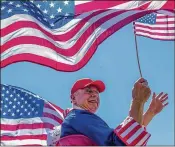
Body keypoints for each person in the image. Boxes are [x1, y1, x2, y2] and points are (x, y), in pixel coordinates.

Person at [57, 78, 168, 146]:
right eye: (88, 91)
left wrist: (150, 112)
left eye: (96, 93)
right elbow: (120, 142)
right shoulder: (78, 117)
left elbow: (127, 134)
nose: (94, 95)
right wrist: (138, 100)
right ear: (73, 98)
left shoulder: (77, 119)